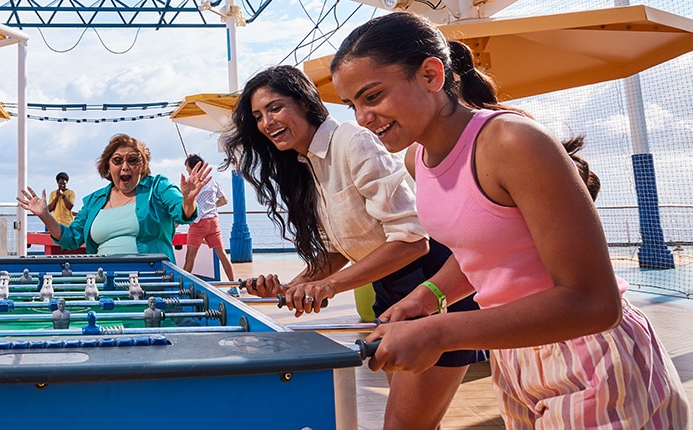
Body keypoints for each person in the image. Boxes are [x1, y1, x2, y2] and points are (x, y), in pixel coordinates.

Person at [330, 11, 687, 427]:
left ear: (431, 75)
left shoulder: (513, 142)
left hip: (592, 354)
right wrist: (427, 296)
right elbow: (482, 248)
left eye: (372, 97)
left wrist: (441, 332)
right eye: (352, 104)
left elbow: (594, 302)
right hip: (514, 351)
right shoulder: (417, 159)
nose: (361, 118)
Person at [224, 64, 484, 429]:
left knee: (404, 425)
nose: (266, 122)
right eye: (258, 116)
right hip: (390, 292)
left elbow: (413, 241)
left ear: (304, 103)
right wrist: (292, 287)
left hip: (431, 287)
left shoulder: (353, 141)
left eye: (275, 107)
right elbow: (339, 248)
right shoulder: (307, 164)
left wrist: (329, 286)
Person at [17, 134, 212, 262]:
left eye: (133, 160)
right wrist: (45, 215)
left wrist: (188, 200)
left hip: (154, 279)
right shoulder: (94, 200)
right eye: (118, 161)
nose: (125, 166)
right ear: (108, 167)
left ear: (142, 166)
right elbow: (71, 239)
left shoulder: (158, 187)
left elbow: (181, 213)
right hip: (105, 282)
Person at [181, 154, 235, 281]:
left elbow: (186, 204)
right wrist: (211, 206)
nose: (187, 170)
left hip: (198, 223)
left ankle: (181, 286)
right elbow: (223, 201)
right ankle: (234, 285)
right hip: (213, 222)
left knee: (190, 258)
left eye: (187, 167)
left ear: (192, 167)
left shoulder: (191, 184)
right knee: (222, 255)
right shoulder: (213, 181)